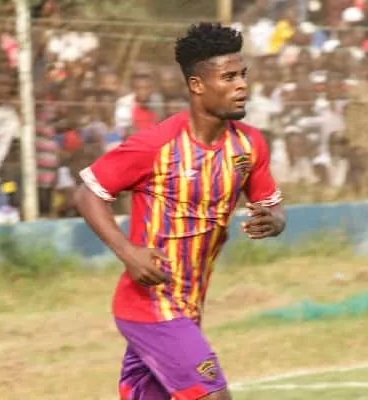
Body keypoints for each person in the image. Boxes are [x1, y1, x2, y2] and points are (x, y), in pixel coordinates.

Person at [74, 22, 286, 400]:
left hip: (189, 306)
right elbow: (88, 195)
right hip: (149, 305)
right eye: (229, 77)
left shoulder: (249, 145)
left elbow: (272, 206)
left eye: (243, 75)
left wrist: (275, 220)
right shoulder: (157, 145)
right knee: (213, 395)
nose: (242, 85)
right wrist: (129, 254)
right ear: (197, 85)